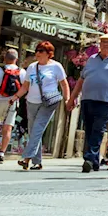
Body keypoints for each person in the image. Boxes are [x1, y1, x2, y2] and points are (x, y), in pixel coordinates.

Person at [68, 31, 108, 173]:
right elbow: (81, 80)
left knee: (98, 129)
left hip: (106, 101)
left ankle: (89, 158)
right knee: (90, 130)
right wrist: (72, 98)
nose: (105, 45)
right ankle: (95, 161)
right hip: (87, 99)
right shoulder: (91, 59)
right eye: (103, 42)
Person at [14, 41, 69, 171]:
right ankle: (37, 162)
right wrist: (16, 97)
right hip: (31, 102)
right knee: (34, 131)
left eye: (41, 51)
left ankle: (26, 158)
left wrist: (67, 100)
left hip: (48, 102)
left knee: (37, 129)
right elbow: (26, 86)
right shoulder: (32, 67)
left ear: (49, 54)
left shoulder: (56, 67)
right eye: (37, 51)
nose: (37, 53)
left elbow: (64, 84)